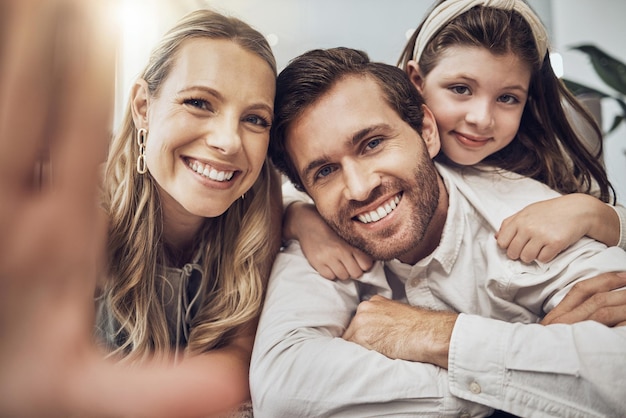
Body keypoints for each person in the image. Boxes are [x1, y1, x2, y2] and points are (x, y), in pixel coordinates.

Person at [249, 46, 626, 417]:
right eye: (325, 172)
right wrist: (529, 363)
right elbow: (283, 390)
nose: (360, 188)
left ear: (427, 132)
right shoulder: (323, 240)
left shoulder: (533, 219)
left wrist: (431, 335)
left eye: (373, 143)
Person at [0, 2, 282, 417]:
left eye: (255, 119)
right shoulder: (80, 226)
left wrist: (309, 221)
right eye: (200, 103)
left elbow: (238, 354)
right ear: (143, 106)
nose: (228, 141)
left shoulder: (262, 216)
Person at [282, 0, 625, 281]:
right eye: (461, 89)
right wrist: (299, 218)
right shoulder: (374, 136)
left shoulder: (542, 171)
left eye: (507, 98)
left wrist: (595, 215)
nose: (481, 118)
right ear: (416, 81)